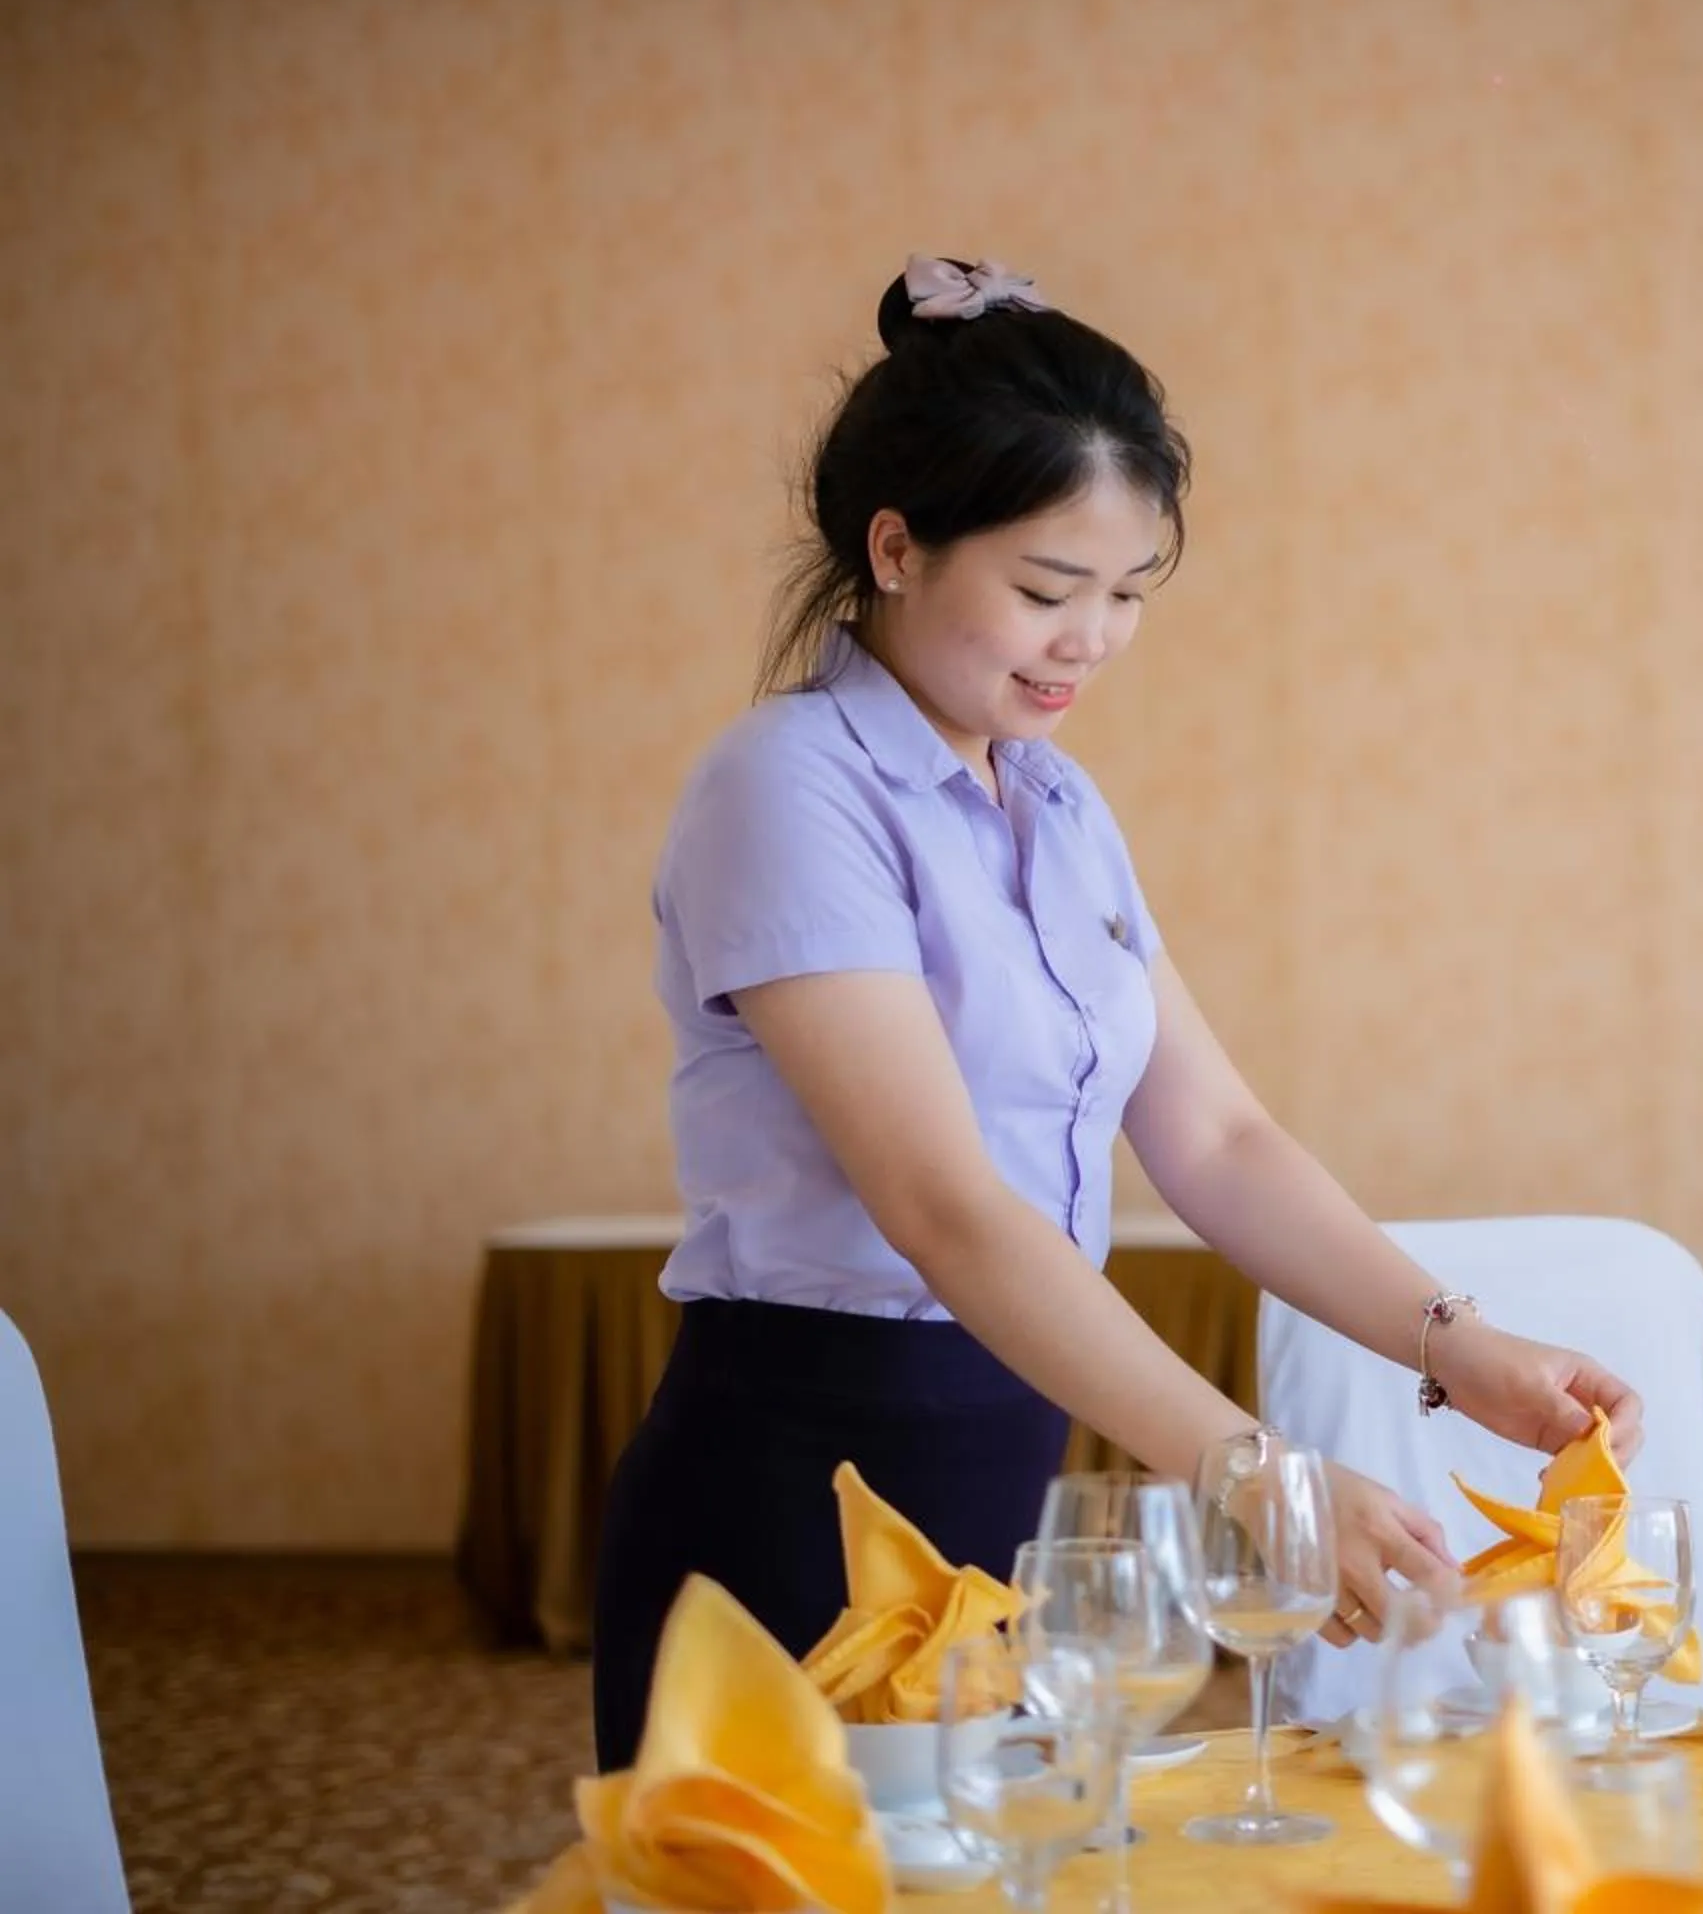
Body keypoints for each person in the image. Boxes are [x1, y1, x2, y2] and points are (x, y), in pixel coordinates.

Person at [591, 255, 1644, 1768]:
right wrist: (1261, 1480)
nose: (1090, 639)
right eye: (1044, 590)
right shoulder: (787, 787)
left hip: (1009, 1431)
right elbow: (949, 1211)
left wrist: (1459, 1345)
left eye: (1129, 594)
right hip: (802, 1468)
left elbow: (1215, 1136)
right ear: (895, 548)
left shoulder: (1057, 806)